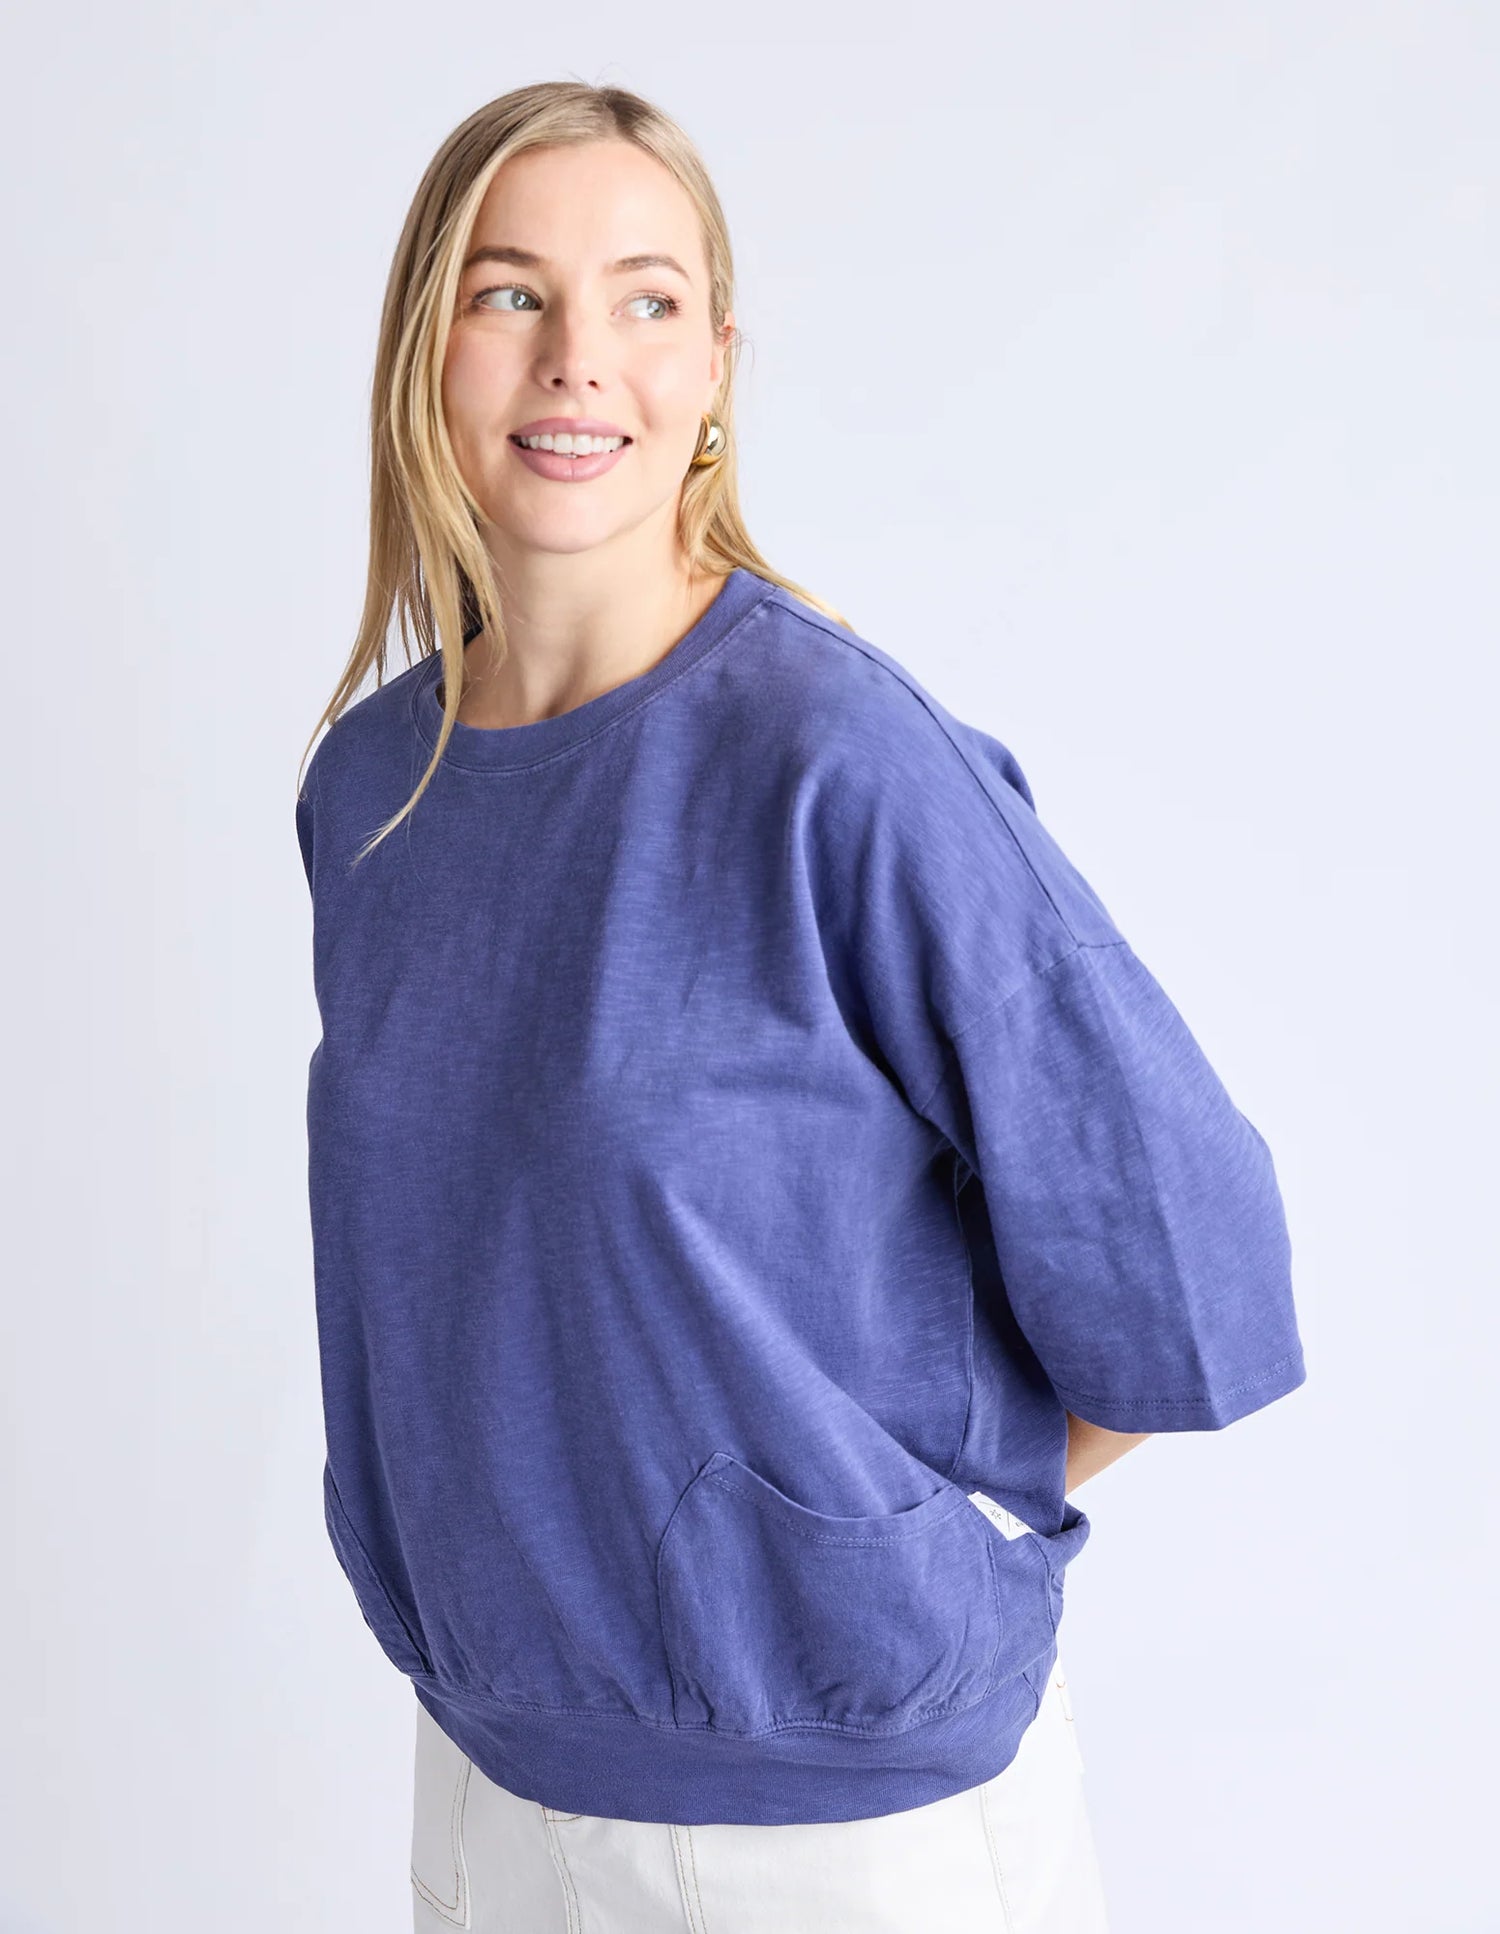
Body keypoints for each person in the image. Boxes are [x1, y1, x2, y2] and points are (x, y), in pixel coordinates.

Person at [294, 79, 1308, 1934]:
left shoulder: (836, 759)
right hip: (484, 1787)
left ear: (715, 367)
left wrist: (880, 1538)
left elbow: (1191, 1246)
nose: (578, 357)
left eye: (646, 299)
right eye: (512, 293)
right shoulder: (373, 794)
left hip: (838, 1837)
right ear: (426, 346)